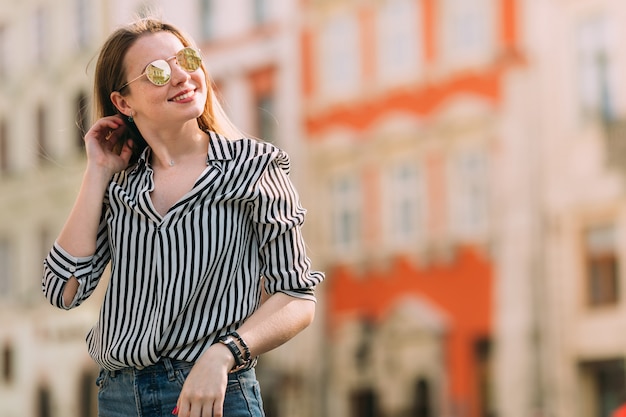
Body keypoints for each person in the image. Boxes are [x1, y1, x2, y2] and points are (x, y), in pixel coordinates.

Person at [42, 17, 324, 417]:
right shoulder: (119, 185)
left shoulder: (254, 166)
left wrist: (224, 354)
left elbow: (297, 296)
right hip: (119, 399)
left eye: (186, 59)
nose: (180, 76)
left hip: (212, 396)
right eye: (156, 72)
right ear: (123, 103)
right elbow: (64, 289)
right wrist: (97, 173)